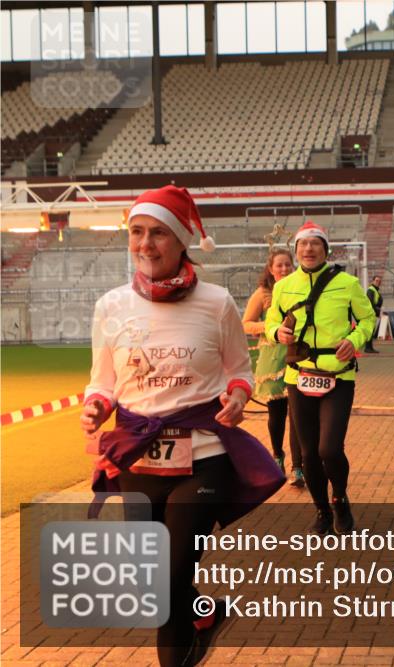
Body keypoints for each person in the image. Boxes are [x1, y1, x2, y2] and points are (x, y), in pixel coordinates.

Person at [82, 185, 284, 667]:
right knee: (150, 582)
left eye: (158, 233)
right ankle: (205, 613)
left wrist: (238, 397)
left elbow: (240, 370)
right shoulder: (110, 306)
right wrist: (96, 406)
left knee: (167, 579)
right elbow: (103, 381)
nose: (145, 244)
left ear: (180, 240)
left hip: (205, 455)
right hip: (138, 458)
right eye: (136, 232)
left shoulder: (216, 302)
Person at [265, 221, 376, 535]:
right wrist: (277, 332)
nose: (309, 249)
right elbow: (272, 321)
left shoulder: (347, 283)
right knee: (308, 452)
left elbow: (367, 319)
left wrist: (354, 340)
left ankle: (339, 500)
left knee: (330, 448)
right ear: (297, 250)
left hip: (338, 376)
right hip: (298, 375)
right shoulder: (283, 286)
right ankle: (322, 510)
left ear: (326, 250)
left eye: (315, 243)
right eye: (303, 244)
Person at [242, 248, 304, 488]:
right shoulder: (262, 293)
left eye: (288, 264)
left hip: (298, 354)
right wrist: (270, 327)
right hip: (272, 358)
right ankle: (277, 456)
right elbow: (246, 324)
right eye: (279, 265)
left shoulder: (301, 288)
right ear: (270, 269)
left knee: (298, 415)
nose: (284, 269)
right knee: (276, 414)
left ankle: (298, 467)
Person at [364, 275, 383, 353]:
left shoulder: (375, 290)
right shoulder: (371, 290)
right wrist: (377, 310)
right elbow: (370, 303)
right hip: (370, 314)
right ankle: (368, 348)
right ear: (373, 281)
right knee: (370, 331)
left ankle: (370, 347)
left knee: (371, 331)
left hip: (373, 314)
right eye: (376, 281)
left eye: (379, 281)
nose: (378, 282)